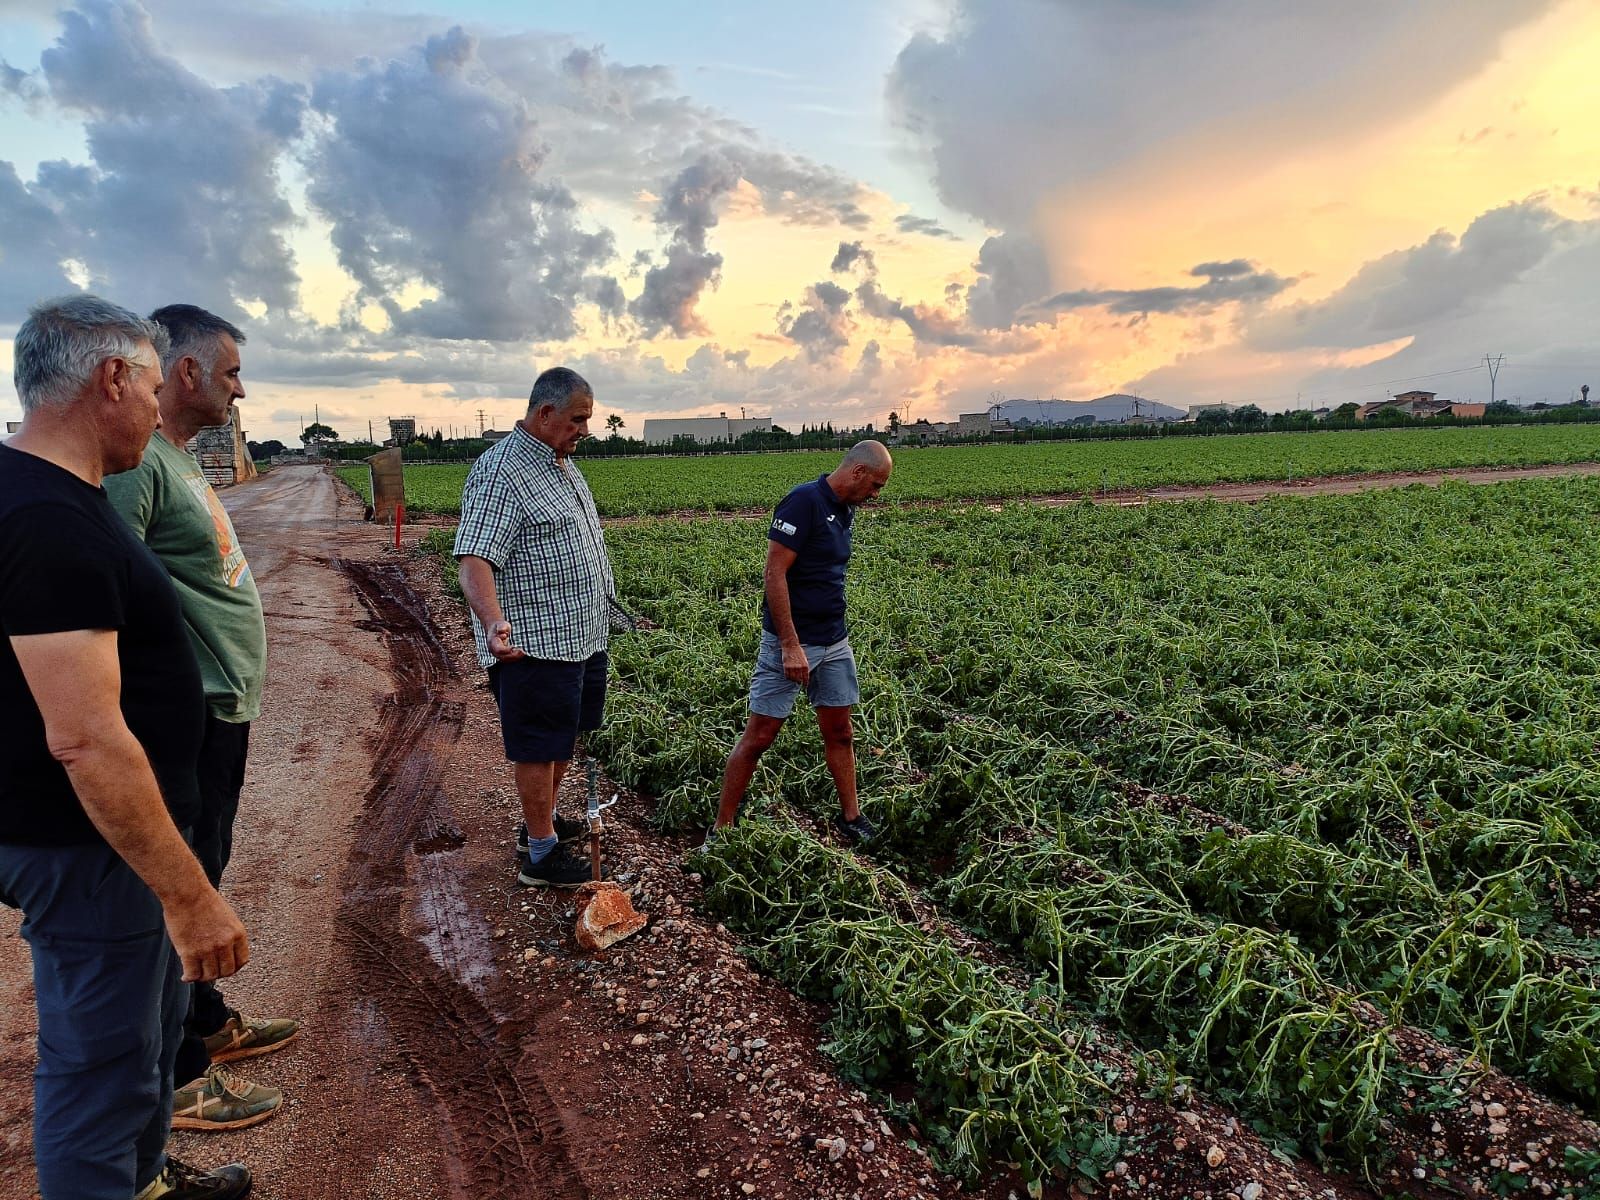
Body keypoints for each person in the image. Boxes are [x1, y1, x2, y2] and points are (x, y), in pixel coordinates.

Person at [0, 294, 252, 1199]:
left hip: (101, 840)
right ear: (111, 379)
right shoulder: (46, 521)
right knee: (98, 1065)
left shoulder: (48, 494)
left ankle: (146, 1182)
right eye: (150, 385)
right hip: (88, 843)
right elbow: (85, 737)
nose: (156, 405)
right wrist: (190, 897)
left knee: (140, 1037)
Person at [105, 304, 296, 1134]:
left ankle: (205, 1020)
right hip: (190, 717)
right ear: (183, 374)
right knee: (177, 893)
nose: (239, 389)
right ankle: (181, 1076)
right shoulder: (135, 466)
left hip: (222, 710)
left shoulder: (174, 458)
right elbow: (109, 598)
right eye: (229, 374)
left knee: (207, 870)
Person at [453, 367, 631, 887]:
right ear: (544, 413)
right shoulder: (502, 471)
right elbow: (473, 559)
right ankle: (539, 853)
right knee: (537, 743)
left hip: (582, 634)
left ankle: (540, 825)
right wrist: (492, 622)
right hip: (534, 640)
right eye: (578, 419)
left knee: (564, 736)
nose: (584, 429)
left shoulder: (561, 463)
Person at [712, 440, 894, 842]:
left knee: (840, 732)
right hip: (792, 642)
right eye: (876, 485)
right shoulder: (803, 502)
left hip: (834, 641)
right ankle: (721, 827)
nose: (876, 495)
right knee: (760, 735)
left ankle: (851, 818)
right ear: (858, 472)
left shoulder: (846, 510)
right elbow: (775, 574)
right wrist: (790, 645)